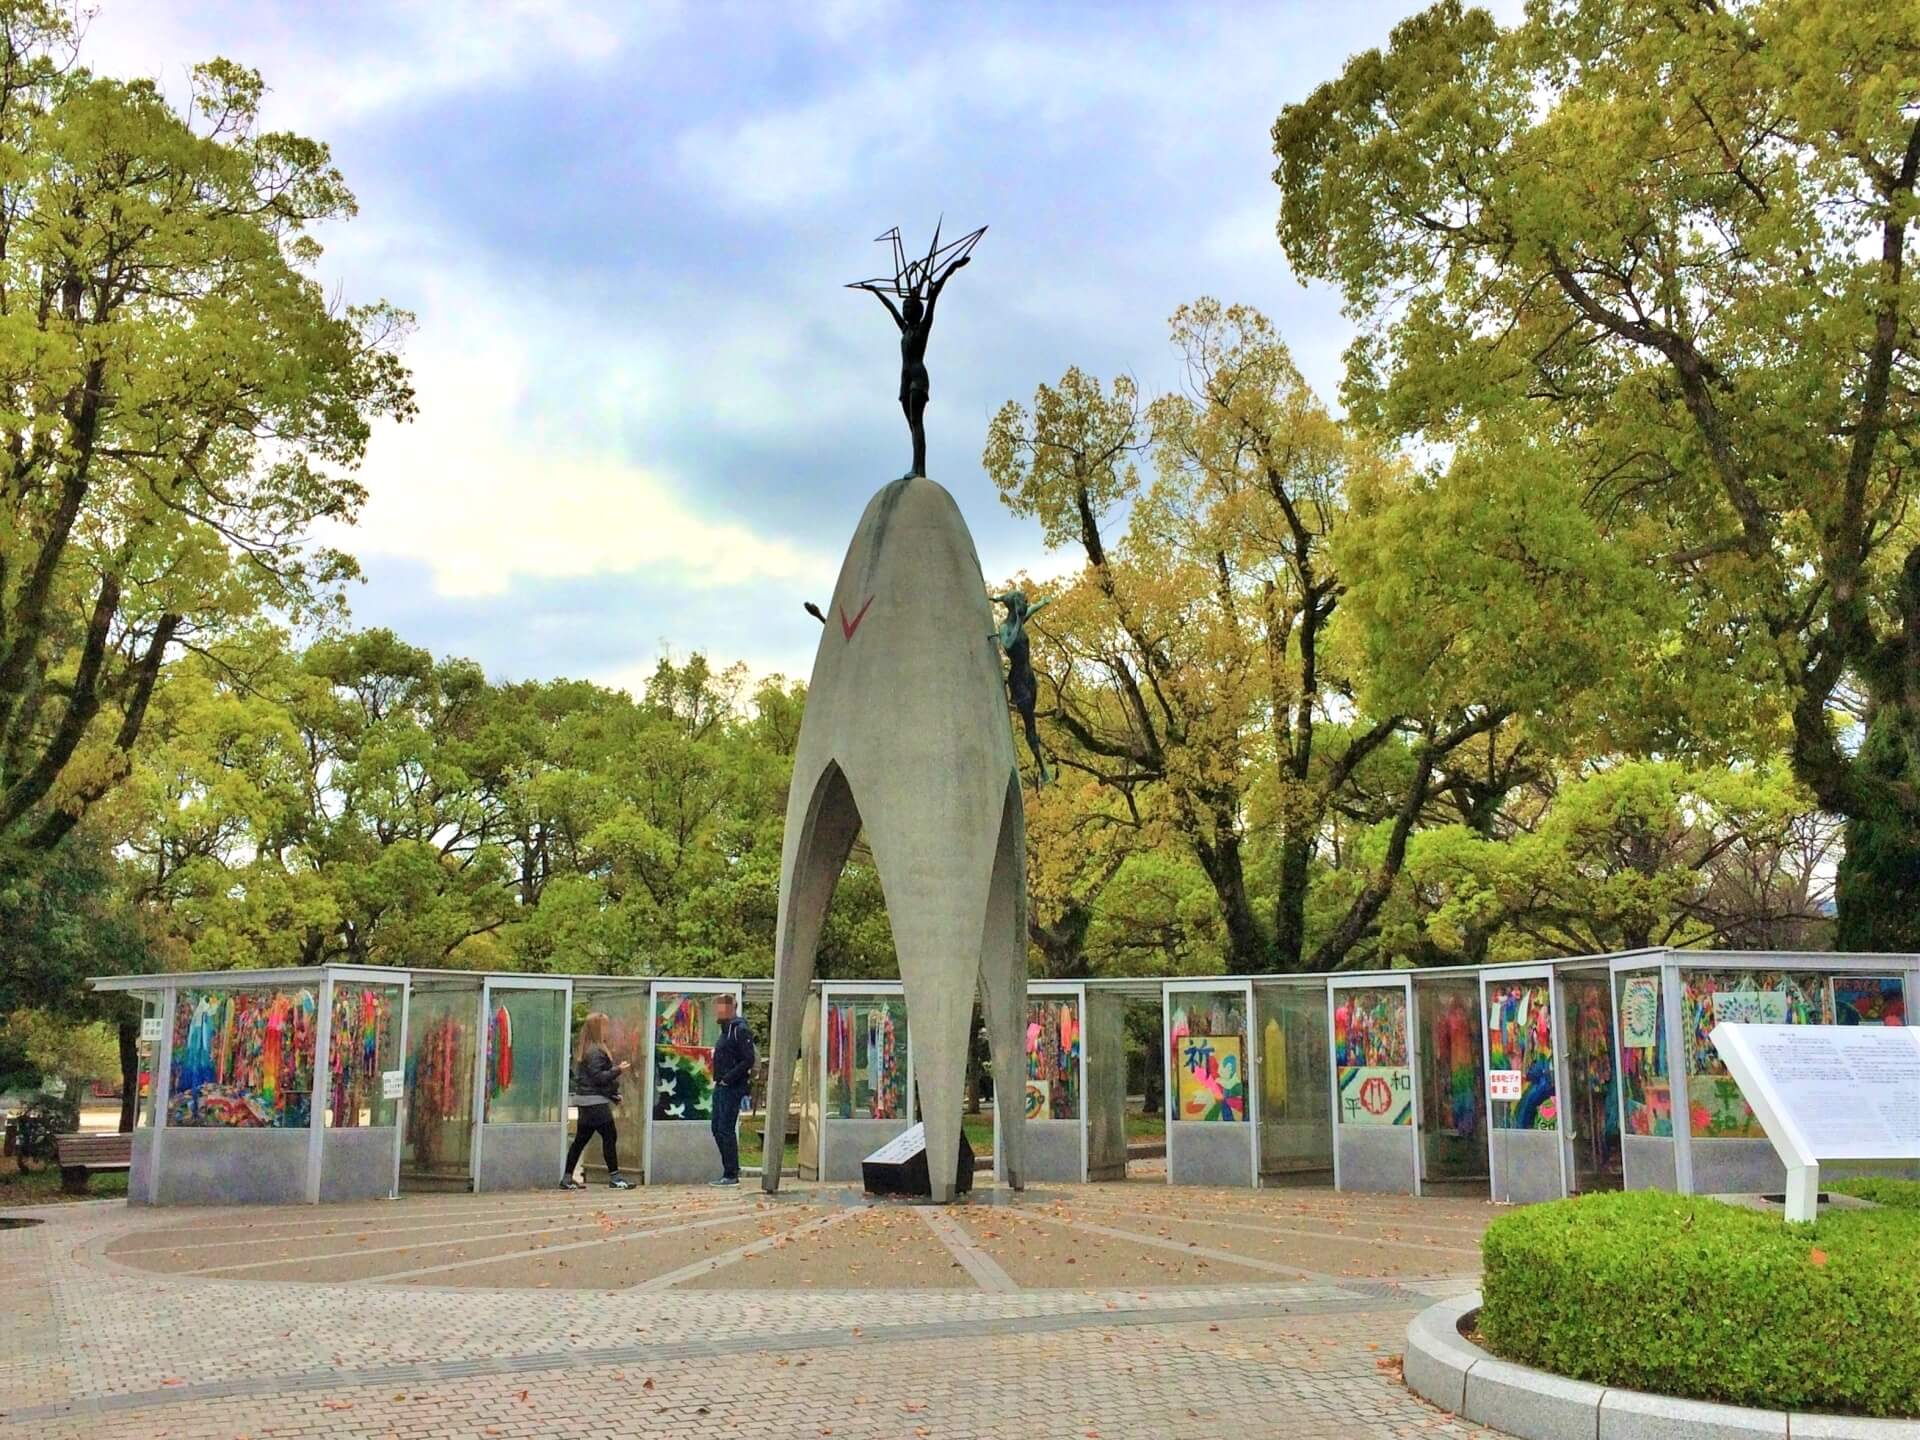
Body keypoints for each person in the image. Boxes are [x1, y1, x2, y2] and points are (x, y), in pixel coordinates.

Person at [563, 1012, 633, 1190]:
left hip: (587, 1100)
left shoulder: (587, 1048)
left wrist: (613, 1095)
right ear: (597, 1029)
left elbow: (593, 1080)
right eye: (605, 1026)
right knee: (609, 1136)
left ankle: (567, 1177)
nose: (608, 1030)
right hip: (595, 1103)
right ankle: (615, 1177)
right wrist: (618, 1070)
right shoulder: (595, 1051)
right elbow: (598, 1078)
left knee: (581, 1139)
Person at [708, 994, 756, 1187]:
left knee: (726, 1128)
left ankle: (731, 1173)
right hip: (720, 1085)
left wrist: (729, 1078)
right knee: (717, 1127)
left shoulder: (739, 1030)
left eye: (719, 1007)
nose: (716, 1011)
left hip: (731, 1087)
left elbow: (748, 1059)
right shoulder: (725, 1030)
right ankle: (729, 1170)